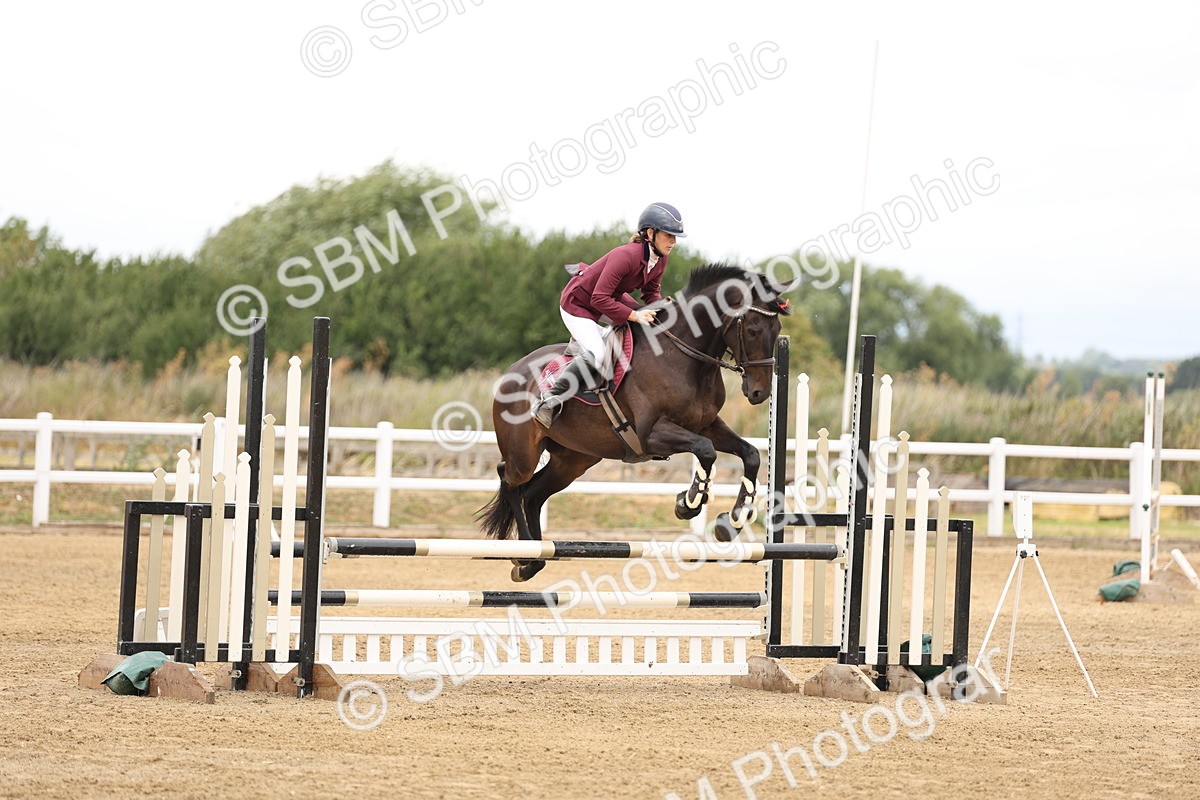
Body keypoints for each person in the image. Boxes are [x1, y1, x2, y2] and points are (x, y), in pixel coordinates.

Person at [532, 202, 686, 428]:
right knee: (598, 353)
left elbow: (650, 293)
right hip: (579, 303)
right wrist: (634, 316)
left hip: (607, 299)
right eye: (668, 235)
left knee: (645, 321)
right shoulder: (626, 256)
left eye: (675, 237)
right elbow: (598, 299)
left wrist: (667, 310)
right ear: (650, 233)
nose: (673, 241)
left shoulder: (661, 258)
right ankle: (550, 400)